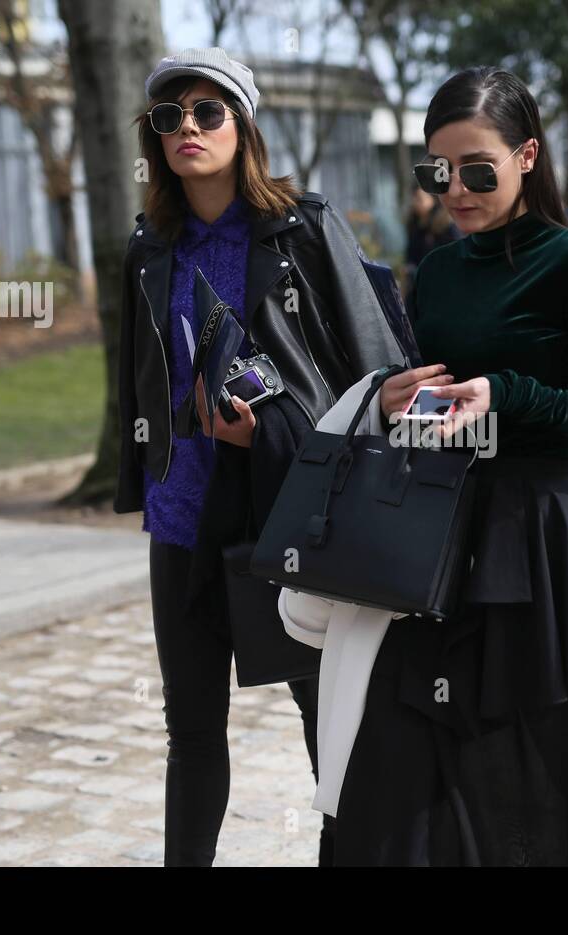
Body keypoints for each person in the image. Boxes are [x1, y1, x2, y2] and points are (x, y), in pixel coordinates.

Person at [325, 66, 568, 865]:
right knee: (405, 777)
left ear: (527, 155)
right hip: (438, 536)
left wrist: (512, 392)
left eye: (477, 169)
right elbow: (433, 398)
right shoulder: (440, 270)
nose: (454, 188)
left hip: (547, 550)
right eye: (437, 171)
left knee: (553, 782)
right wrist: (392, 399)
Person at [114, 49, 407, 866]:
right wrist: (139, 470)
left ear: (244, 127)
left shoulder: (304, 228)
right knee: (192, 734)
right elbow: (137, 378)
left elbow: (375, 378)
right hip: (181, 519)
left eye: (209, 112)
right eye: (169, 118)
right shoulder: (148, 247)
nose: (188, 130)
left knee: (329, 721)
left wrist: (272, 427)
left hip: (286, 515)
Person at [403, 186, 460, 324]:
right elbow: (411, 254)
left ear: (433, 200)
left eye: (420, 199)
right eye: (415, 199)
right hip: (417, 283)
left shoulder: (445, 226)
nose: (416, 203)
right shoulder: (415, 223)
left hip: (440, 287)